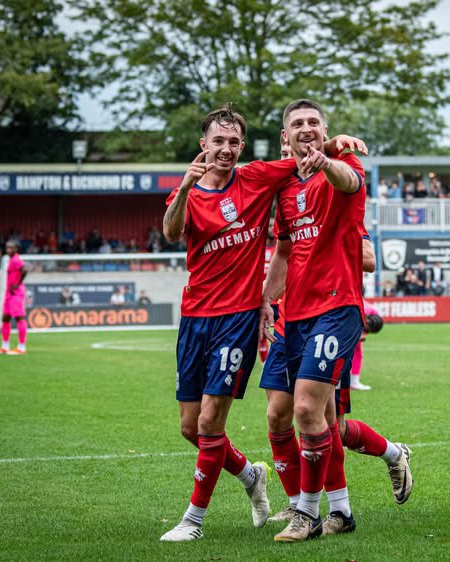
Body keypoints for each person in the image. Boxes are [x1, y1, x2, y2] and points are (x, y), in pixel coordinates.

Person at [159, 103, 361, 543]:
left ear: (243, 147)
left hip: (239, 318)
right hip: (195, 316)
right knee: (191, 427)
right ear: (203, 145)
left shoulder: (257, 177)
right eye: (218, 142)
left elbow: (303, 154)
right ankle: (251, 475)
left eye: (234, 143)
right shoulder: (189, 192)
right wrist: (185, 185)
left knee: (220, 421)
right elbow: (171, 232)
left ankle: (193, 520)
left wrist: (333, 143)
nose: (226, 150)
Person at [260, 99, 410, 542]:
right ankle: (340, 510)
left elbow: (347, 182)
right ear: (285, 136)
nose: (305, 129)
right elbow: (283, 253)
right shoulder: (285, 189)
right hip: (294, 316)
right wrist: (265, 303)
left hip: (336, 308)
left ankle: (306, 511)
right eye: (297, 124)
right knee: (292, 415)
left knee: (311, 411)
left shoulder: (342, 164)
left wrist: (328, 159)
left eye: (313, 123)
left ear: (325, 130)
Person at [0, 240, 29, 355]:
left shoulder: (16, 260)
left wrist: (17, 284)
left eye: (11, 248)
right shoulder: (11, 260)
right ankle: (5, 347)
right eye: (7, 248)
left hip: (16, 293)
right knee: (5, 318)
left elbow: (25, 269)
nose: (8, 250)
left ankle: (21, 347)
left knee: (19, 318)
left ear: (16, 249)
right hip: (9, 294)